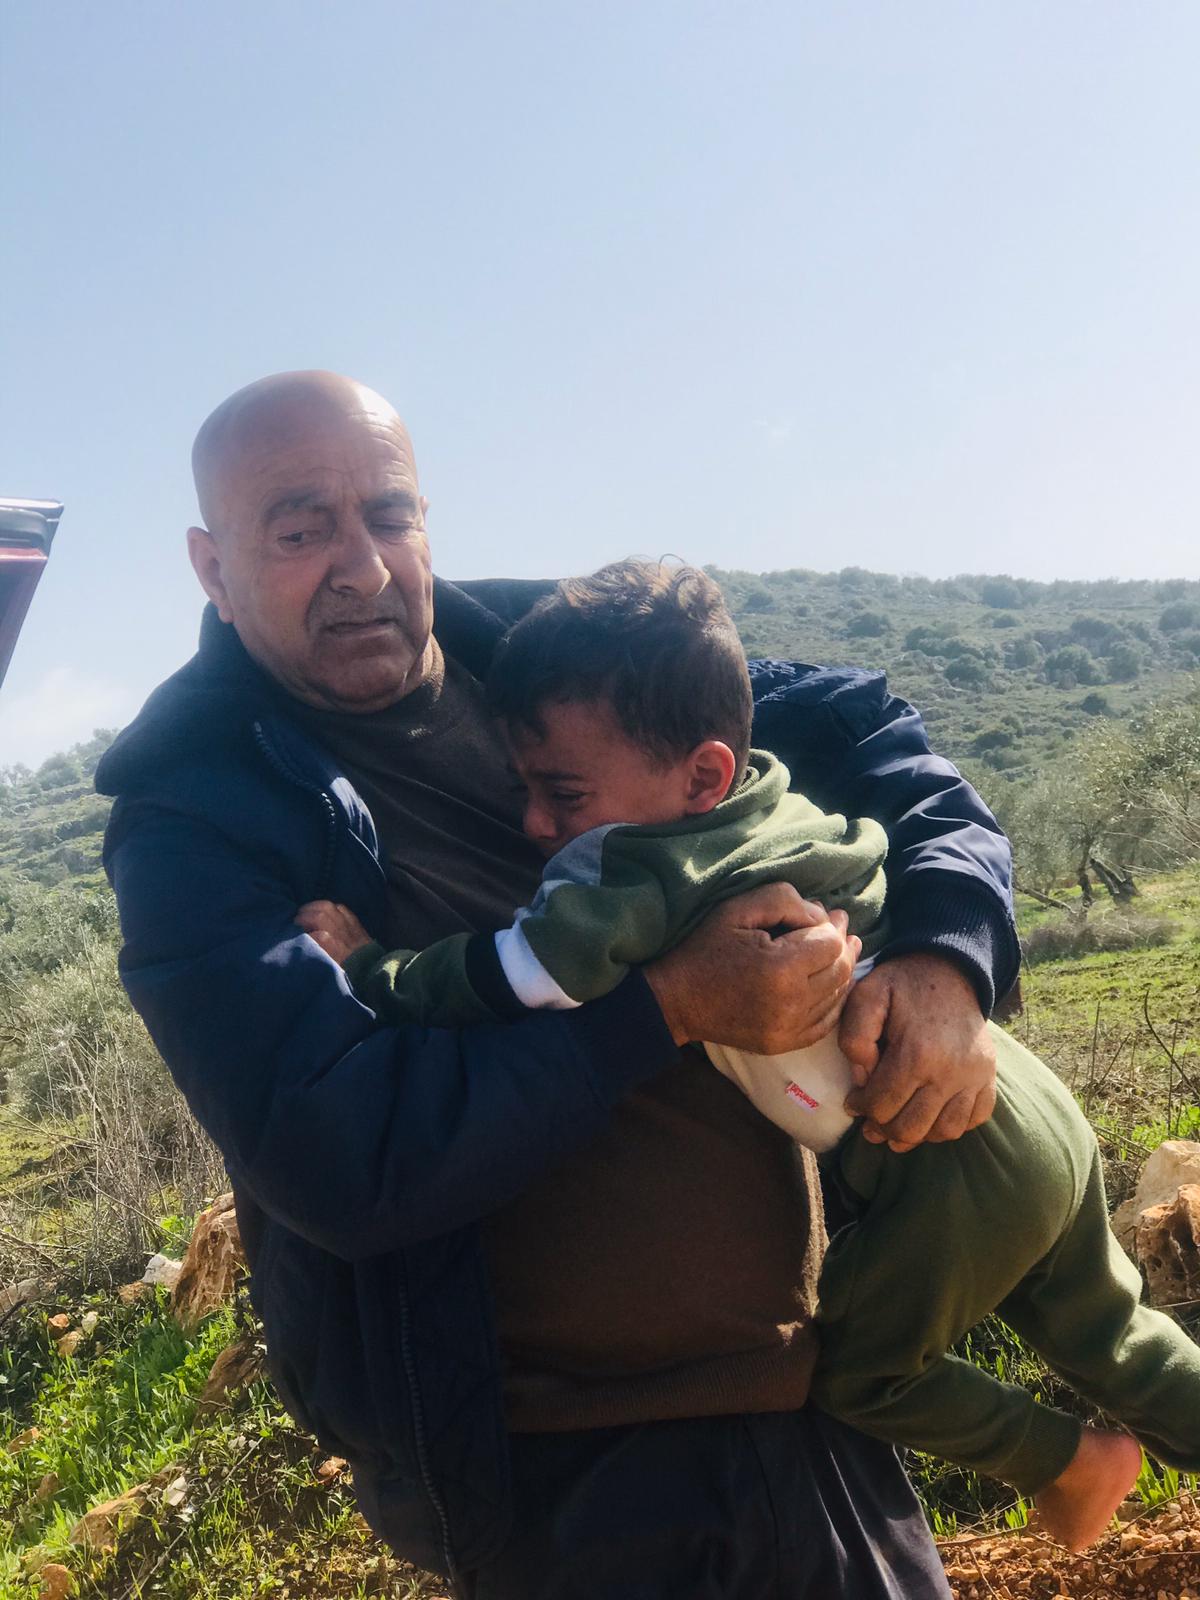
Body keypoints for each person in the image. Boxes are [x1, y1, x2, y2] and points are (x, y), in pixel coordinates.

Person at [97, 370, 1018, 1599]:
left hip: (806, 1398)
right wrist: (671, 1008)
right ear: (212, 567)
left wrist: (948, 951)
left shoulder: (558, 659)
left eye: (389, 513)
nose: (361, 566)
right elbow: (338, 1153)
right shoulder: (194, 813)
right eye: (301, 526)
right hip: (565, 1480)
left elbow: (874, 731)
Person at [300, 558, 1200, 1554]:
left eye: (560, 791)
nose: (536, 824)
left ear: (703, 774)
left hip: (940, 1163)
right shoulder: (785, 802)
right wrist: (950, 957)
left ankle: (1069, 1461)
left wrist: (375, 969)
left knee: (860, 1366)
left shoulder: (637, 867)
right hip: (1019, 1093)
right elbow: (886, 800)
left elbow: (521, 973)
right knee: (1118, 1336)